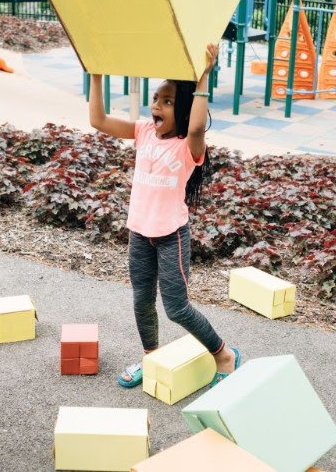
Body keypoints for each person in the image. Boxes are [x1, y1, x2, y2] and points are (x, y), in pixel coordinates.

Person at [88, 43, 242, 389]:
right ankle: (152, 358)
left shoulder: (188, 146)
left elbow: (199, 128)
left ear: (183, 110)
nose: (156, 105)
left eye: (168, 101)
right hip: (139, 234)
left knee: (177, 308)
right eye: (156, 98)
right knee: (142, 302)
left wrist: (204, 74)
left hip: (171, 235)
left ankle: (223, 355)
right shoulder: (143, 131)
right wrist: (96, 72)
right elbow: (97, 120)